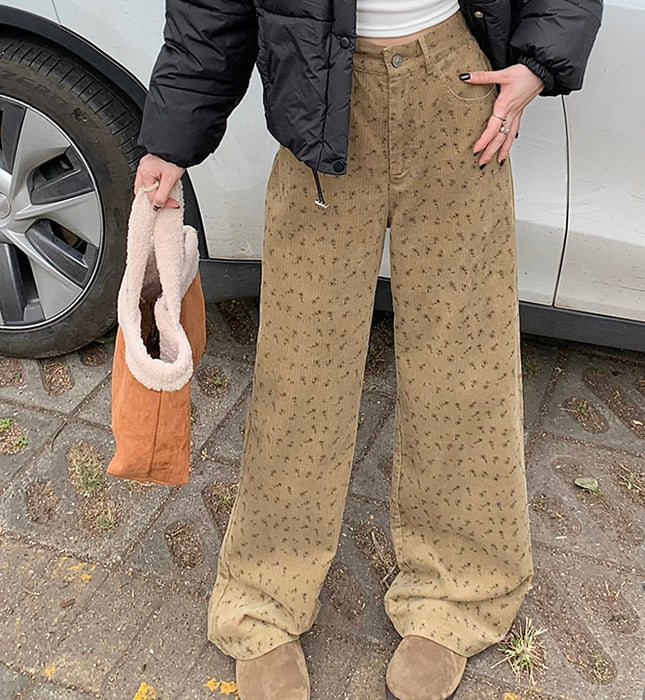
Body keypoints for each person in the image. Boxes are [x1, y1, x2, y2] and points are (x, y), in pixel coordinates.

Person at [133, 1, 602, 698]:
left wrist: (539, 63)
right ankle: (263, 598)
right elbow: (211, 9)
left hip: (456, 88)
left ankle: (458, 592)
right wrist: (170, 141)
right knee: (299, 374)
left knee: (463, 368)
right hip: (317, 98)